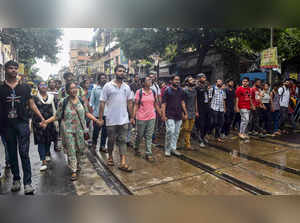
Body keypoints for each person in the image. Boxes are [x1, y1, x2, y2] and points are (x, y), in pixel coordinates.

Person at [0, 61, 45, 194]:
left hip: (22, 123)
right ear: (5, 70)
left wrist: (42, 118)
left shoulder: (25, 88)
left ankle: (28, 183)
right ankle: (16, 179)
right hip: (6, 126)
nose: (14, 70)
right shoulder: (1, 88)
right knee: (12, 152)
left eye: (15, 68)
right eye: (11, 68)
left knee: (24, 153)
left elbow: (31, 104)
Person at [41, 82, 102, 181]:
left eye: (75, 88)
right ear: (68, 90)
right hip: (67, 130)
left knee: (80, 148)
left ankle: (77, 165)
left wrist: (96, 120)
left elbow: (86, 113)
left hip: (80, 130)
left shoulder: (81, 101)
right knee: (71, 149)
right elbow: (57, 116)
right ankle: (73, 170)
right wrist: (46, 122)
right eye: (71, 88)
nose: (74, 90)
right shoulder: (63, 102)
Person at [98, 64, 134, 172]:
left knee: (122, 141)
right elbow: (102, 103)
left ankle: (123, 162)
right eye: (119, 71)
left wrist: (132, 117)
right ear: (115, 72)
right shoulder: (108, 86)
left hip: (124, 120)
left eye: (123, 71)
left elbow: (130, 103)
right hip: (111, 120)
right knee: (111, 140)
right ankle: (110, 156)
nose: (121, 72)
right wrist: (100, 118)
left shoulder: (126, 87)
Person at [133, 76, 161, 162]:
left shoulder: (153, 91)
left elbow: (155, 104)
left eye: (150, 80)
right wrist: (132, 117)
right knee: (140, 135)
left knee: (149, 136)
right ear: (143, 83)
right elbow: (136, 105)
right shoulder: (139, 92)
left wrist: (161, 114)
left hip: (152, 117)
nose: (150, 81)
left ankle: (148, 153)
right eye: (148, 80)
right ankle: (136, 147)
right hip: (141, 117)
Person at [32, 81, 57, 171]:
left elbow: (55, 110)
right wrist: (39, 123)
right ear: (38, 87)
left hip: (50, 122)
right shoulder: (34, 97)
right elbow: (32, 110)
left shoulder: (52, 97)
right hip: (39, 123)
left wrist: (53, 122)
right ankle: (43, 161)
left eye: (45, 85)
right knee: (40, 142)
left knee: (48, 140)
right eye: (41, 85)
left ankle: (47, 153)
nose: (43, 86)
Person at [161, 75, 188, 157]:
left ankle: (173, 148)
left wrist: (185, 113)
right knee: (170, 131)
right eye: (175, 80)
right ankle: (167, 149)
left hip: (179, 114)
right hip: (169, 115)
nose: (177, 81)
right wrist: (163, 115)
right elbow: (164, 104)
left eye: (178, 80)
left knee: (176, 133)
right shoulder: (167, 90)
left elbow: (182, 102)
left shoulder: (181, 91)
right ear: (171, 81)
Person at [178, 76, 198, 150]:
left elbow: (195, 101)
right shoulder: (184, 90)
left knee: (189, 129)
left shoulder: (194, 90)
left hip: (192, 112)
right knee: (185, 128)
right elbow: (182, 102)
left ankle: (186, 142)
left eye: (193, 79)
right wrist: (183, 113)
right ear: (187, 82)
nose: (193, 81)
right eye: (191, 80)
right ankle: (182, 140)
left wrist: (196, 111)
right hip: (186, 111)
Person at [90, 73, 108, 152]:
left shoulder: (108, 89)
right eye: (102, 78)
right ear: (99, 80)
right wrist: (92, 112)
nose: (103, 79)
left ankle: (102, 146)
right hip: (97, 114)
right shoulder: (95, 89)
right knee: (96, 131)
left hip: (107, 114)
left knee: (105, 132)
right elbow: (91, 102)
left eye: (104, 78)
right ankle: (94, 144)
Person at [195, 73, 210, 147]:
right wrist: (196, 110)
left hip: (207, 106)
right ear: (199, 78)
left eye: (205, 77)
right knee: (201, 124)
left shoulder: (206, 86)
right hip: (200, 108)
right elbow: (195, 100)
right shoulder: (197, 87)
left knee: (207, 123)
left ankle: (203, 136)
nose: (204, 78)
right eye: (203, 77)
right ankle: (200, 139)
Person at [47, 79, 59, 152]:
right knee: (48, 132)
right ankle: (47, 151)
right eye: (50, 83)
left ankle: (56, 145)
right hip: (48, 114)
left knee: (56, 131)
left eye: (53, 82)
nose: (52, 84)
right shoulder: (46, 92)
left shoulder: (58, 92)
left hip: (57, 113)